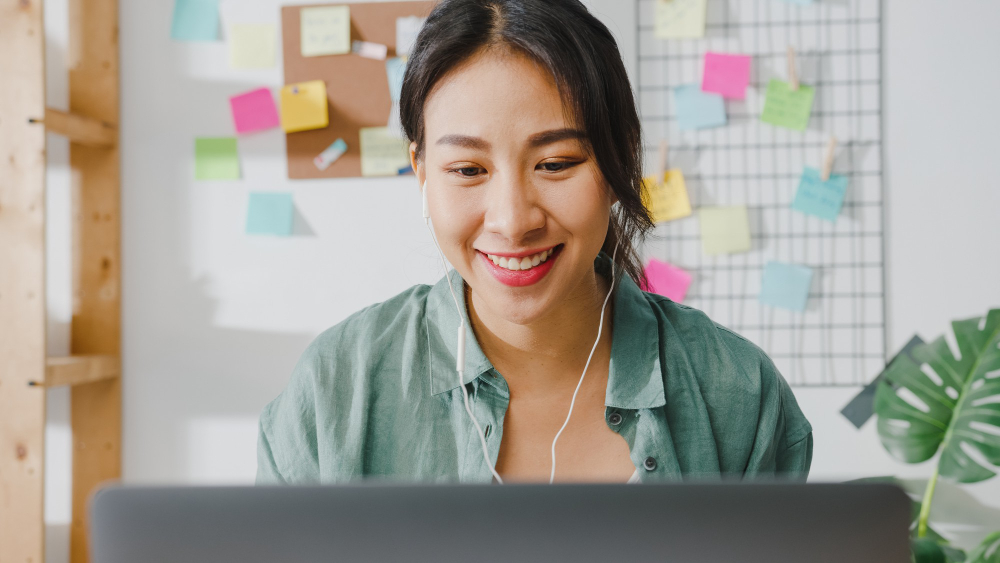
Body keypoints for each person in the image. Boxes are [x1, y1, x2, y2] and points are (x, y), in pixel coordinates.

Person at [256, 0, 812, 485]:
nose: (512, 220)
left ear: (621, 159)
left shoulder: (738, 392)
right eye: (469, 170)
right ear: (422, 173)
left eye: (555, 164)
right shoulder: (334, 391)